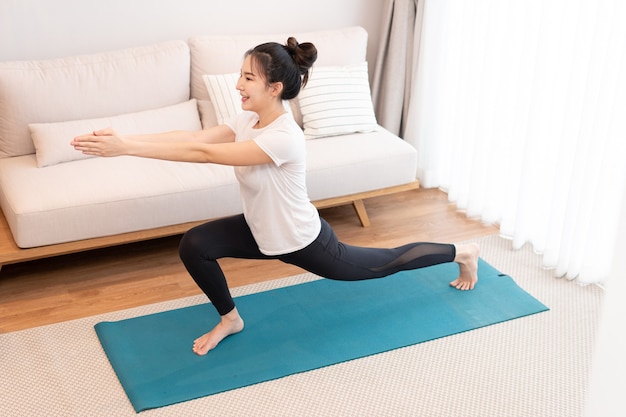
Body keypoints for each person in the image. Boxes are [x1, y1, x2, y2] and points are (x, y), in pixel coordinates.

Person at [71, 37, 480, 356]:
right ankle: (230, 319)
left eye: (248, 78)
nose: (238, 85)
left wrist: (126, 148)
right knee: (195, 244)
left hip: (302, 240)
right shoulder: (248, 117)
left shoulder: (285, 137)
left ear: (275, 87)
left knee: (382, 265)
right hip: (260, 231)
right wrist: (125, 138)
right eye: (241, 75)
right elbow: (196, 137)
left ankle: (462, 251)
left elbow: (205, 154)